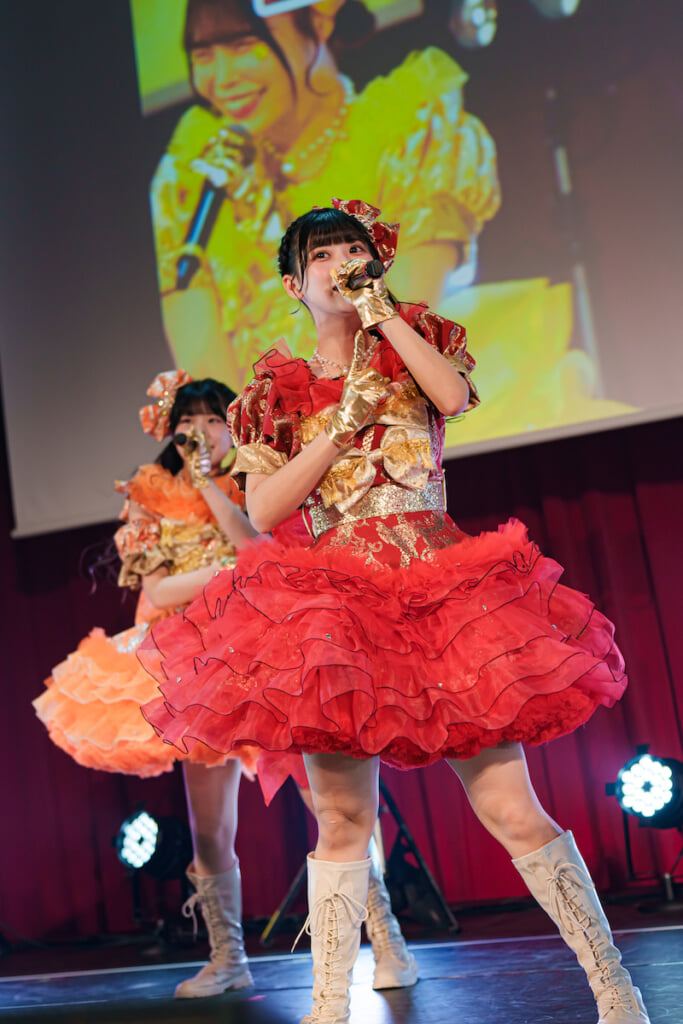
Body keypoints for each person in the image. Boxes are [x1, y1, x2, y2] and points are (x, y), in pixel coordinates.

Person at [141, 202, 649, 1024]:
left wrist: (382, 317)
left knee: (510, 808)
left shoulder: (413, 340)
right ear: (292, 284)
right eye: (321, 254)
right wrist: (339, 428)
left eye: (353, 248)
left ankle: (613, 987)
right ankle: (328, 1009)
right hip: (334, 612)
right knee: (342, 819)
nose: (341, 261)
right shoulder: (272, 392)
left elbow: (453, 394)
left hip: (443, 596)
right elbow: (263, 510)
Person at [34, 368, 417, 998]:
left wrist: (213, 487)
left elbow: (255, 543)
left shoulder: (256, 475)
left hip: (265, 651)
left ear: (232, 424)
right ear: (169, 430)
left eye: (213, 419)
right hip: (191, 664)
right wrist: (228, 571)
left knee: (331, 807)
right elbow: (159, 590)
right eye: (187, 421)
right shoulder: (149, 491)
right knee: (210, 827)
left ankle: (389, 942)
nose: (200, 431)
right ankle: (227, 958)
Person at [150, 0, 499, 390]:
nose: (223, 78)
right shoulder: (197, 178)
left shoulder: (405, 132)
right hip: (273, 424)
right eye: (203, 55)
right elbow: (209, 379)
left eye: (244, 46)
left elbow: (404, 333)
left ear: (318, 21)